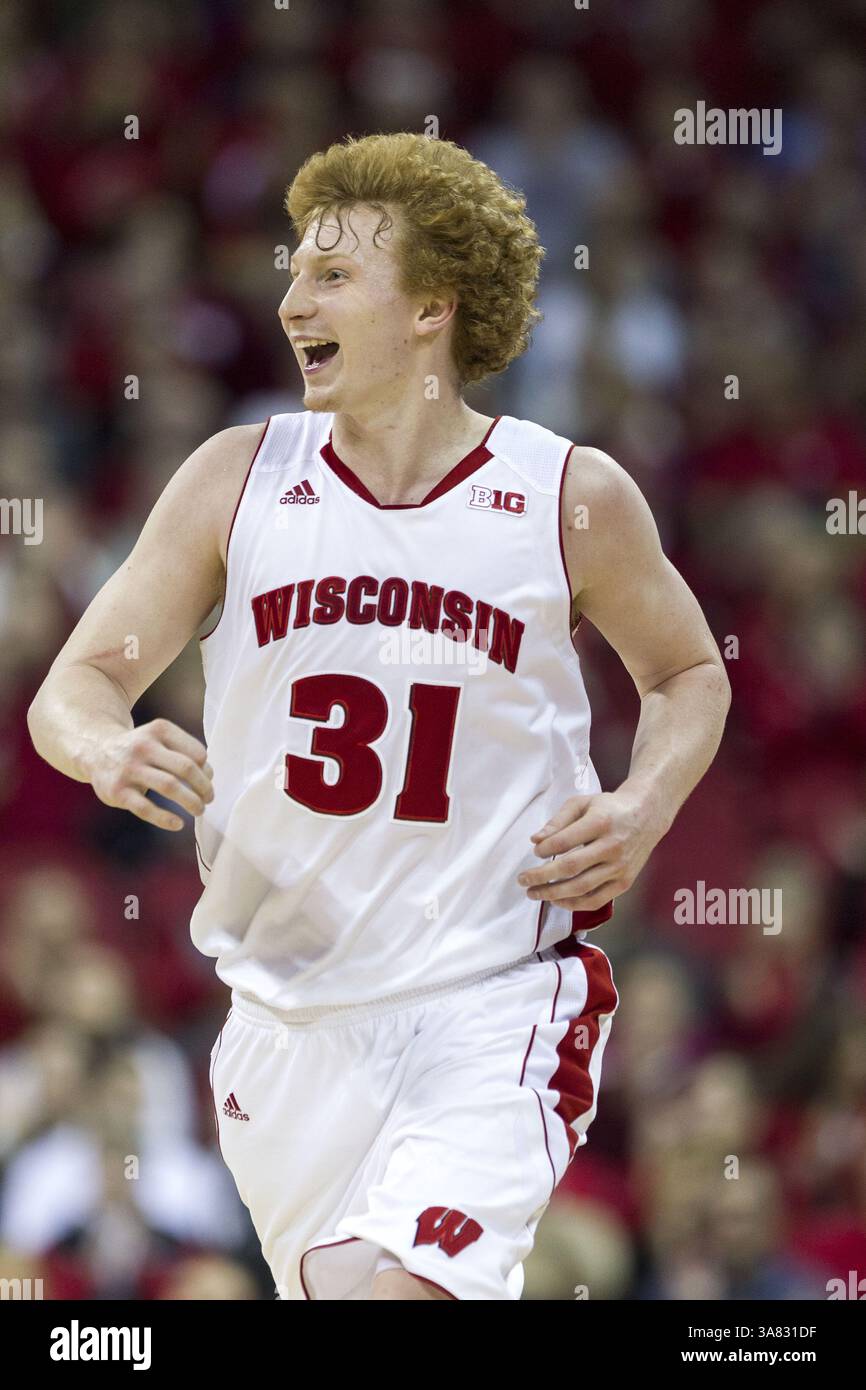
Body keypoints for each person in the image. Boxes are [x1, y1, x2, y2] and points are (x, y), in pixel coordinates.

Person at [27, 132, 731, 1301]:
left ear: (430, 310)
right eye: (294, 272)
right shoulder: (234, 478)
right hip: (281, 1029)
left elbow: (688, 674)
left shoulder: (569, 495)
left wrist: (644, 802)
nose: (293, 298)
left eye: (333, 275)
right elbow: (72, 688)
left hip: (491, 998)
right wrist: (107, 745)